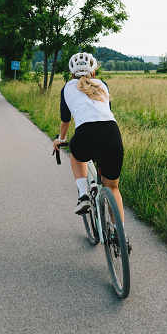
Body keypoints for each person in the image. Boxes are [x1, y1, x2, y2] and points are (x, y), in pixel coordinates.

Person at [53, 52, 125, 222]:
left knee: (77, 155)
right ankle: (120, 235)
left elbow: (66, 122)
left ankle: (83, 196)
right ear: (93, 73)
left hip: (85, 135)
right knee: (113, 188)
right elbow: (106, 112)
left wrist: (61, 139)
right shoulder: (102, 85)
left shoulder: (67, 88)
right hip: (112, 134)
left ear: (71, 74)